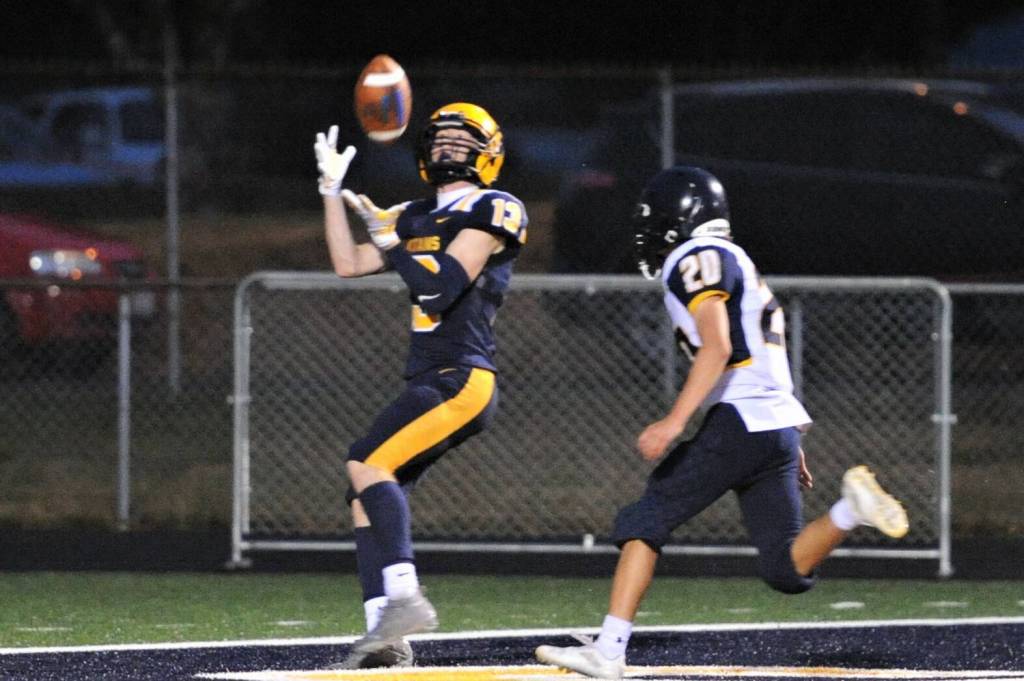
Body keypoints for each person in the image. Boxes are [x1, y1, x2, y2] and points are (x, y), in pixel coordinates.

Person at [534, 166, 908, 680]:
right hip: (772, 422)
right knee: (785, 570)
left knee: (646, 519)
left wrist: (674, 420)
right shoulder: (737, 258)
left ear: (677, 217)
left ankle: (609, 651)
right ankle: (849, 511)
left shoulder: (693, 257)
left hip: (742, 417)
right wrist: (787, 435)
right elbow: (761, 352)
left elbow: (719, 346)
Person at [313, 102, 527, 669]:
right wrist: (332, 192)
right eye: (441, 140)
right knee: (364, 494)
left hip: (465, 377)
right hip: (432, 375)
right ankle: (384, 637)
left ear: (489, 152)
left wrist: (391, 245)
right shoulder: (414, 214)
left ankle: (405, 596)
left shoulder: (495, 207)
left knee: (366, 461)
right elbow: (345, 262)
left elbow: (439, 291)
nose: (448, 148)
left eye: (462, 140)